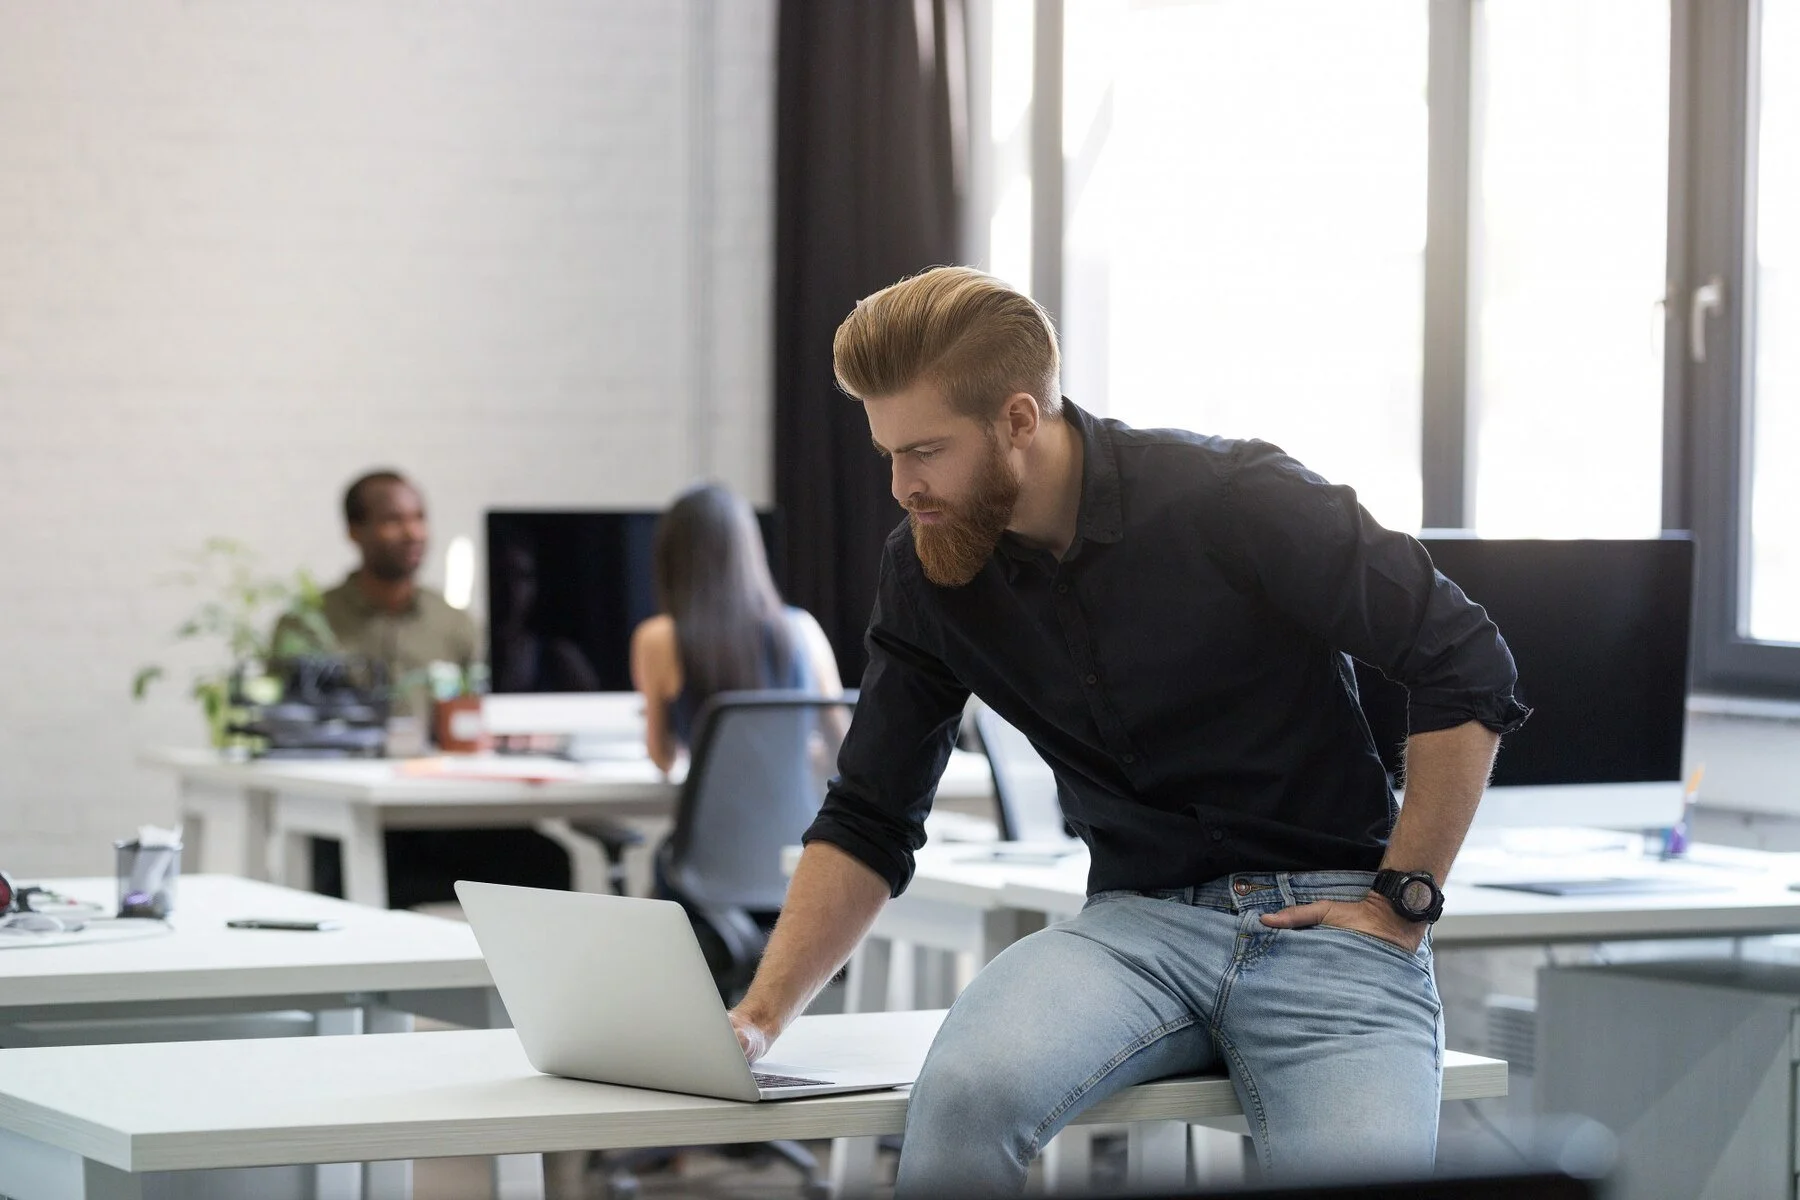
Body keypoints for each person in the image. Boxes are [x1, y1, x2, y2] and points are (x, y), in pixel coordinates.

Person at [724, 267, 1530, 1193]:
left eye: (927, 452)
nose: (903, 486)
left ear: (1020, 420)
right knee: (961, 1104)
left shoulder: (1233, 497)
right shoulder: (924, 572)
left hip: (1331, 925)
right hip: (1130, 931)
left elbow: (1466, 660)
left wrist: (1404, 898)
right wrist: (758, 1018)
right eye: (889, 455)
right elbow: (869, 812)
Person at [277, 470, 571, 908]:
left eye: (419, 518)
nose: (413, 532)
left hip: (442, 811)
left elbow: (480, 715)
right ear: (355, 531)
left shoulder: (452, 623)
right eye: (393, 520)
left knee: (544, 861)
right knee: (345, 870)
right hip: (353, 811)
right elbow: (287, 725)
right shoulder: (310, 623)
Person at [629, 483, 843, 774]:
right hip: (800, 819)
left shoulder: (658, 638)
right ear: (749, 549)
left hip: (714, 819)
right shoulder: (804, 628)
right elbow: (841, 750)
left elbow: (662, 757)